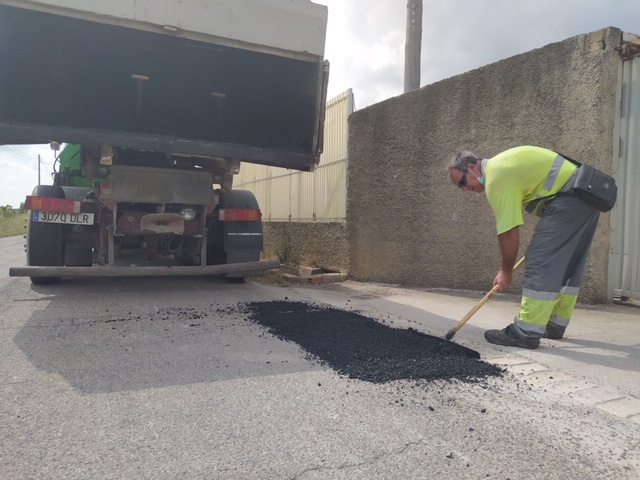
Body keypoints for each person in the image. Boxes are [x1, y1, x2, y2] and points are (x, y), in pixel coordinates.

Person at [447, 145, 601, 349]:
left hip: (570, 198)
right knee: (569, 263)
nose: (465, 189)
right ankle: (555, 323)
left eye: (463, 183)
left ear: (473, 167)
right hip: (586, 195)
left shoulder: (496, 177)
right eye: (460, 187)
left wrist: (505, 271)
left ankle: (525, 332)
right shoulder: (502, 164)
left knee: (539, 261)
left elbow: (509, 232)